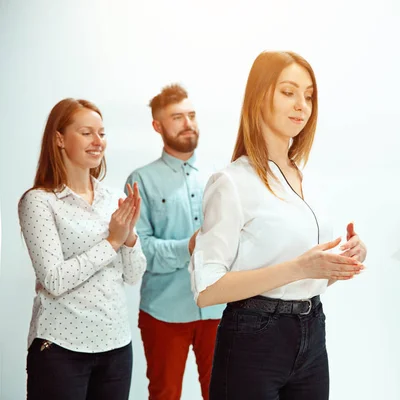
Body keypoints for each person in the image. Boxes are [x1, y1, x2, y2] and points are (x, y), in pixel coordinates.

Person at [188, 50, 367, 399]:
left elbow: (308, 274)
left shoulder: (307, 180)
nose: (302, 104)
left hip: (312, 330)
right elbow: (207, 289)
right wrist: (299, 267)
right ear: (260, 97)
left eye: (309, 95)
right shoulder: (231, 181)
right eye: (289, 92)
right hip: (253, 338)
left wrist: (341, 261)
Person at [18, 98, 146, 400]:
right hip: (61, 348)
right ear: (59, 139)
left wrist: (128, 238)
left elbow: (133, 274)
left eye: (101, 133)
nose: (97, 141)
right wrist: (112, 242)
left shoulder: (114, 198)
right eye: (86, 132)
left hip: (116, 346)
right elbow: (54, 280)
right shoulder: (39, 201)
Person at [125, 83, 224, 400]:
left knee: (224, 392)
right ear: (158, 125)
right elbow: (140, 252)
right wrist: (188, 247)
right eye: (177, 117)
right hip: (164, 313)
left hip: (219, 309)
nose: (188, 123)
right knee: (165, 394)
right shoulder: (140, 181)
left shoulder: (219, 177)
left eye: (192, 115)